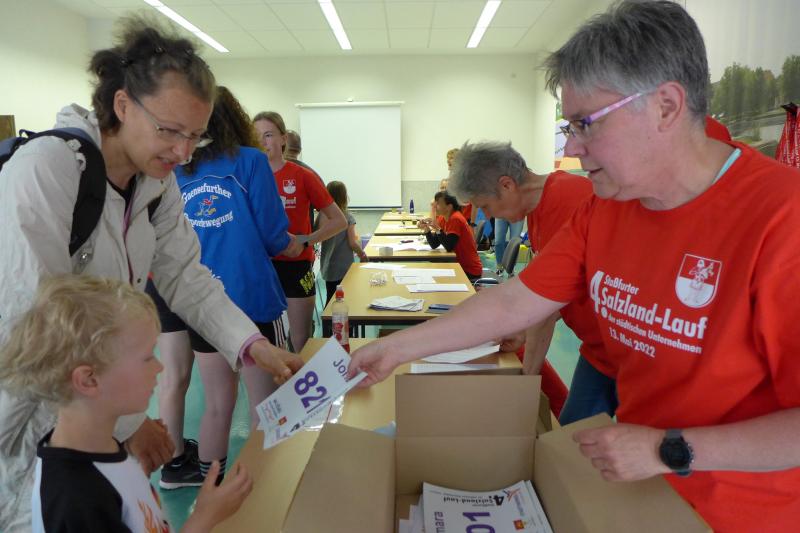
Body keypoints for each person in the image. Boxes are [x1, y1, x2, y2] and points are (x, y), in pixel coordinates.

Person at [348, 2, 800, 530]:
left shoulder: (781, 219)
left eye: (585, 125)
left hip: (741, 512)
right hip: (644, 494)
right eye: (569, 126)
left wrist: (668, 449)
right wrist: (393, 349)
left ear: (666, 106)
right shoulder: (608, 206)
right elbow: (515, 303)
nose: (572, 147)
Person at [0, 18, 301, 531]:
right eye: (169, 130)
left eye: (196, 136)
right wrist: (130, 421)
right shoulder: (47, 170)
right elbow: (36, 329)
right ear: (122, 105)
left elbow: (187, 276)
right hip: (31, 429)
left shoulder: (155, 185)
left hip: (97, 416)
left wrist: (251, 345)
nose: (183, 152)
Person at [0, 275, 253, 532]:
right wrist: (204, 517)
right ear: (89, 380)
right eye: (147, 358)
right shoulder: (76, 499)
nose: (159, 367)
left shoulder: (105, 449)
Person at [154, 86, 303, 487]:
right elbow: (273, 235)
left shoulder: (178, 171)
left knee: (218, 405)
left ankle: (211, 488)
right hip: (251, 296)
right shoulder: (251, 161)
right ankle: (262, 488)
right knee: (265, 404)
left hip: (202, 301)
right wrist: (291, 243)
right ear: (235, 119)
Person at [453, 141, 611, 425]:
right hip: (599, 351)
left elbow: (546, 304)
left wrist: (525, 383)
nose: (489, 215)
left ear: (507, 185)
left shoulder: (571, 200)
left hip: (632, 350)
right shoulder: (536, 213)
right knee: (574, 435)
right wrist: (524, 332)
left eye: (485, 206)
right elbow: (554, 294)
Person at [253, 111, 347, 352]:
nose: (262, 141)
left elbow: (339, 221)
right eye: (256, 136)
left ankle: (302, 377)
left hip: (296, 266)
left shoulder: (303, 176)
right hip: (260, 267)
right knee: (266, 342)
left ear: (283, 139)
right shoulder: (246, 177)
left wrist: (305, 240)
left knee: (301, 340)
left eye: (268, 135)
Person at [318, 180, 368, 305]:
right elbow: (352, 243)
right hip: (344, 267)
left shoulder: (321, 215)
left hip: (328, 266)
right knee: (344, 297)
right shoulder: (347, 217)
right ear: (344, 197)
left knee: (330, 297)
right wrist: (362, 254)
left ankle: (328, 317)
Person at [418, 191, 483, 282]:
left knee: (433, 276)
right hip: (457, 264)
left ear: (449, 207)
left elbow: (449, 247)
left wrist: (437, 228)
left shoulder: (455, 218)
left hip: (469, 270)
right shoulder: (442, 218)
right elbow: (434, 244)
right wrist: (426, 229)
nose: (435, 206)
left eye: (438, 204)